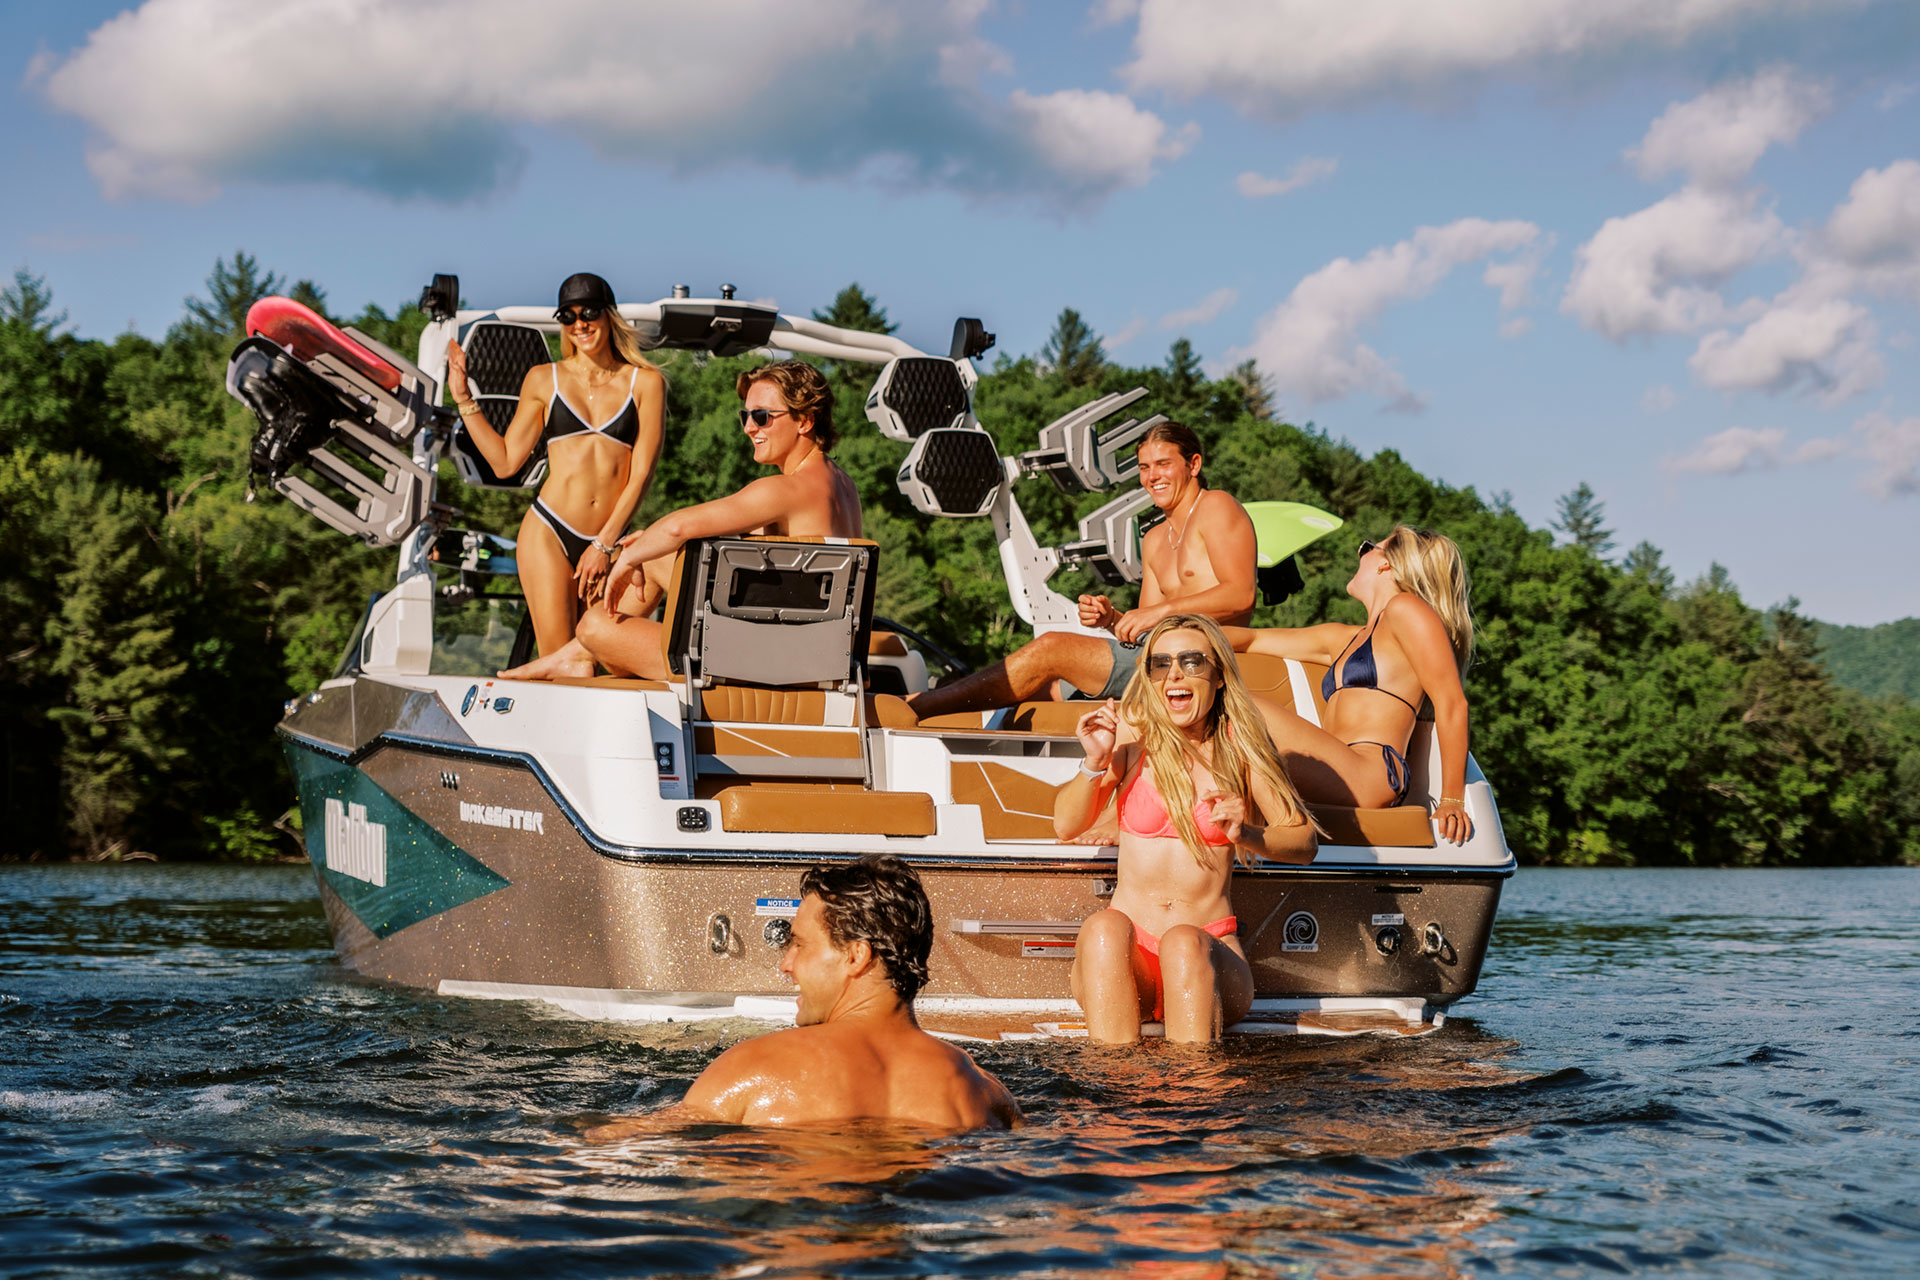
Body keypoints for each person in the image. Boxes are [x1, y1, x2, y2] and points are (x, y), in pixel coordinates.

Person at [584, 856, 1021, 1132]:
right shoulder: (981, 1092)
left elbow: (619, 1145)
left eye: (798, 944)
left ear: (856, 956)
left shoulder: (753, 1067)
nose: (785, 964)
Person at [498, 360, 861, 681]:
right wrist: (649, 548)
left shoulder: (785, 489)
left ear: (805, 421)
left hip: (765, 664)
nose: (749, 428)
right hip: (809, 654)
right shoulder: (842, 487)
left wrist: (626, 556)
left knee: (594, 625)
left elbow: (678, 526)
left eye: (762, 416)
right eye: (745, 416)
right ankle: (573, 656)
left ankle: (576, 653)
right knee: (657, 556)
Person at [1054, 614, 1318, 1044]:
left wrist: (1246, 833)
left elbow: (1304, 842)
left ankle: (1194, 1097)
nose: (1174, 674)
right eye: (1161, 664)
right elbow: (1066, 825)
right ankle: (1111, 1094)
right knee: (1102, 927)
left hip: (1206, 956)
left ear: (1218, 677)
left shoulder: (1242, 749)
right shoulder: (1130, 740)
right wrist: (1094, 763)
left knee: (1181, 941)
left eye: (1192, 662)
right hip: (1128, 961)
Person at [906, 423, 1257, 722]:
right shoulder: (1152, 539)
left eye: (1163, 464)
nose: (1152, 477)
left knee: (1052, 647)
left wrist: (1157, 613)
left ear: (1193, 464)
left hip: (1204, 656)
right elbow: (1140, 631)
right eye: (1144, 467)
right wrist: (1111, 618)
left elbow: (1240, 595)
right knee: (1038, 688)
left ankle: (918, 706)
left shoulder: (1216, 505)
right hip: (1154, 655)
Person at [446, 272, 665, 658]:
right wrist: (464, 398)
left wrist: (604, 542)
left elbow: (642, 474)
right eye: (568, 316)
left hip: (610, 538)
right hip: (549, 531)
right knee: (559, 660)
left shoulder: (646, 382)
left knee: (599, 656)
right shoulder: (544, 379)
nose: (580, 324)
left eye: (589, 313)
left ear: (609, 315)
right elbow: (505, 463)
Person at [1225, 526, 1476, 845]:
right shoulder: (1342, 638)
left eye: (1367, 548)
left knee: (1240, 706)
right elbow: (1253, 639)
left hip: (1370, 774)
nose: (1360, 555)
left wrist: (1452, 800)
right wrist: (1174, 631)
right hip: (1335, 768)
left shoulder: (1406, 610)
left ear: (1387, 564)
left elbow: (1452, 703)